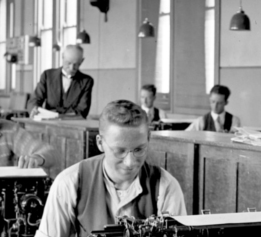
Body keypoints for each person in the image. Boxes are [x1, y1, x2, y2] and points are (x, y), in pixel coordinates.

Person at [35, 100, 187, 237]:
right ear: (100, 143)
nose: (130, 162)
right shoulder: (69, 183)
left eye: (139, 150)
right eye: (120, 151)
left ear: (148, 139)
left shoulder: (166, 186)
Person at [28, 45, 95, 118]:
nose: (72, 68)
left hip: (73, 125)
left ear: (82, 61)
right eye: (68, 63)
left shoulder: (86, 81)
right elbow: (35, 99)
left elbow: (82, 111)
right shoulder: (47, 75)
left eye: (76, 64)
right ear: (62, 57)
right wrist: (34, 109)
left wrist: (57, 114)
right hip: (48, 124)